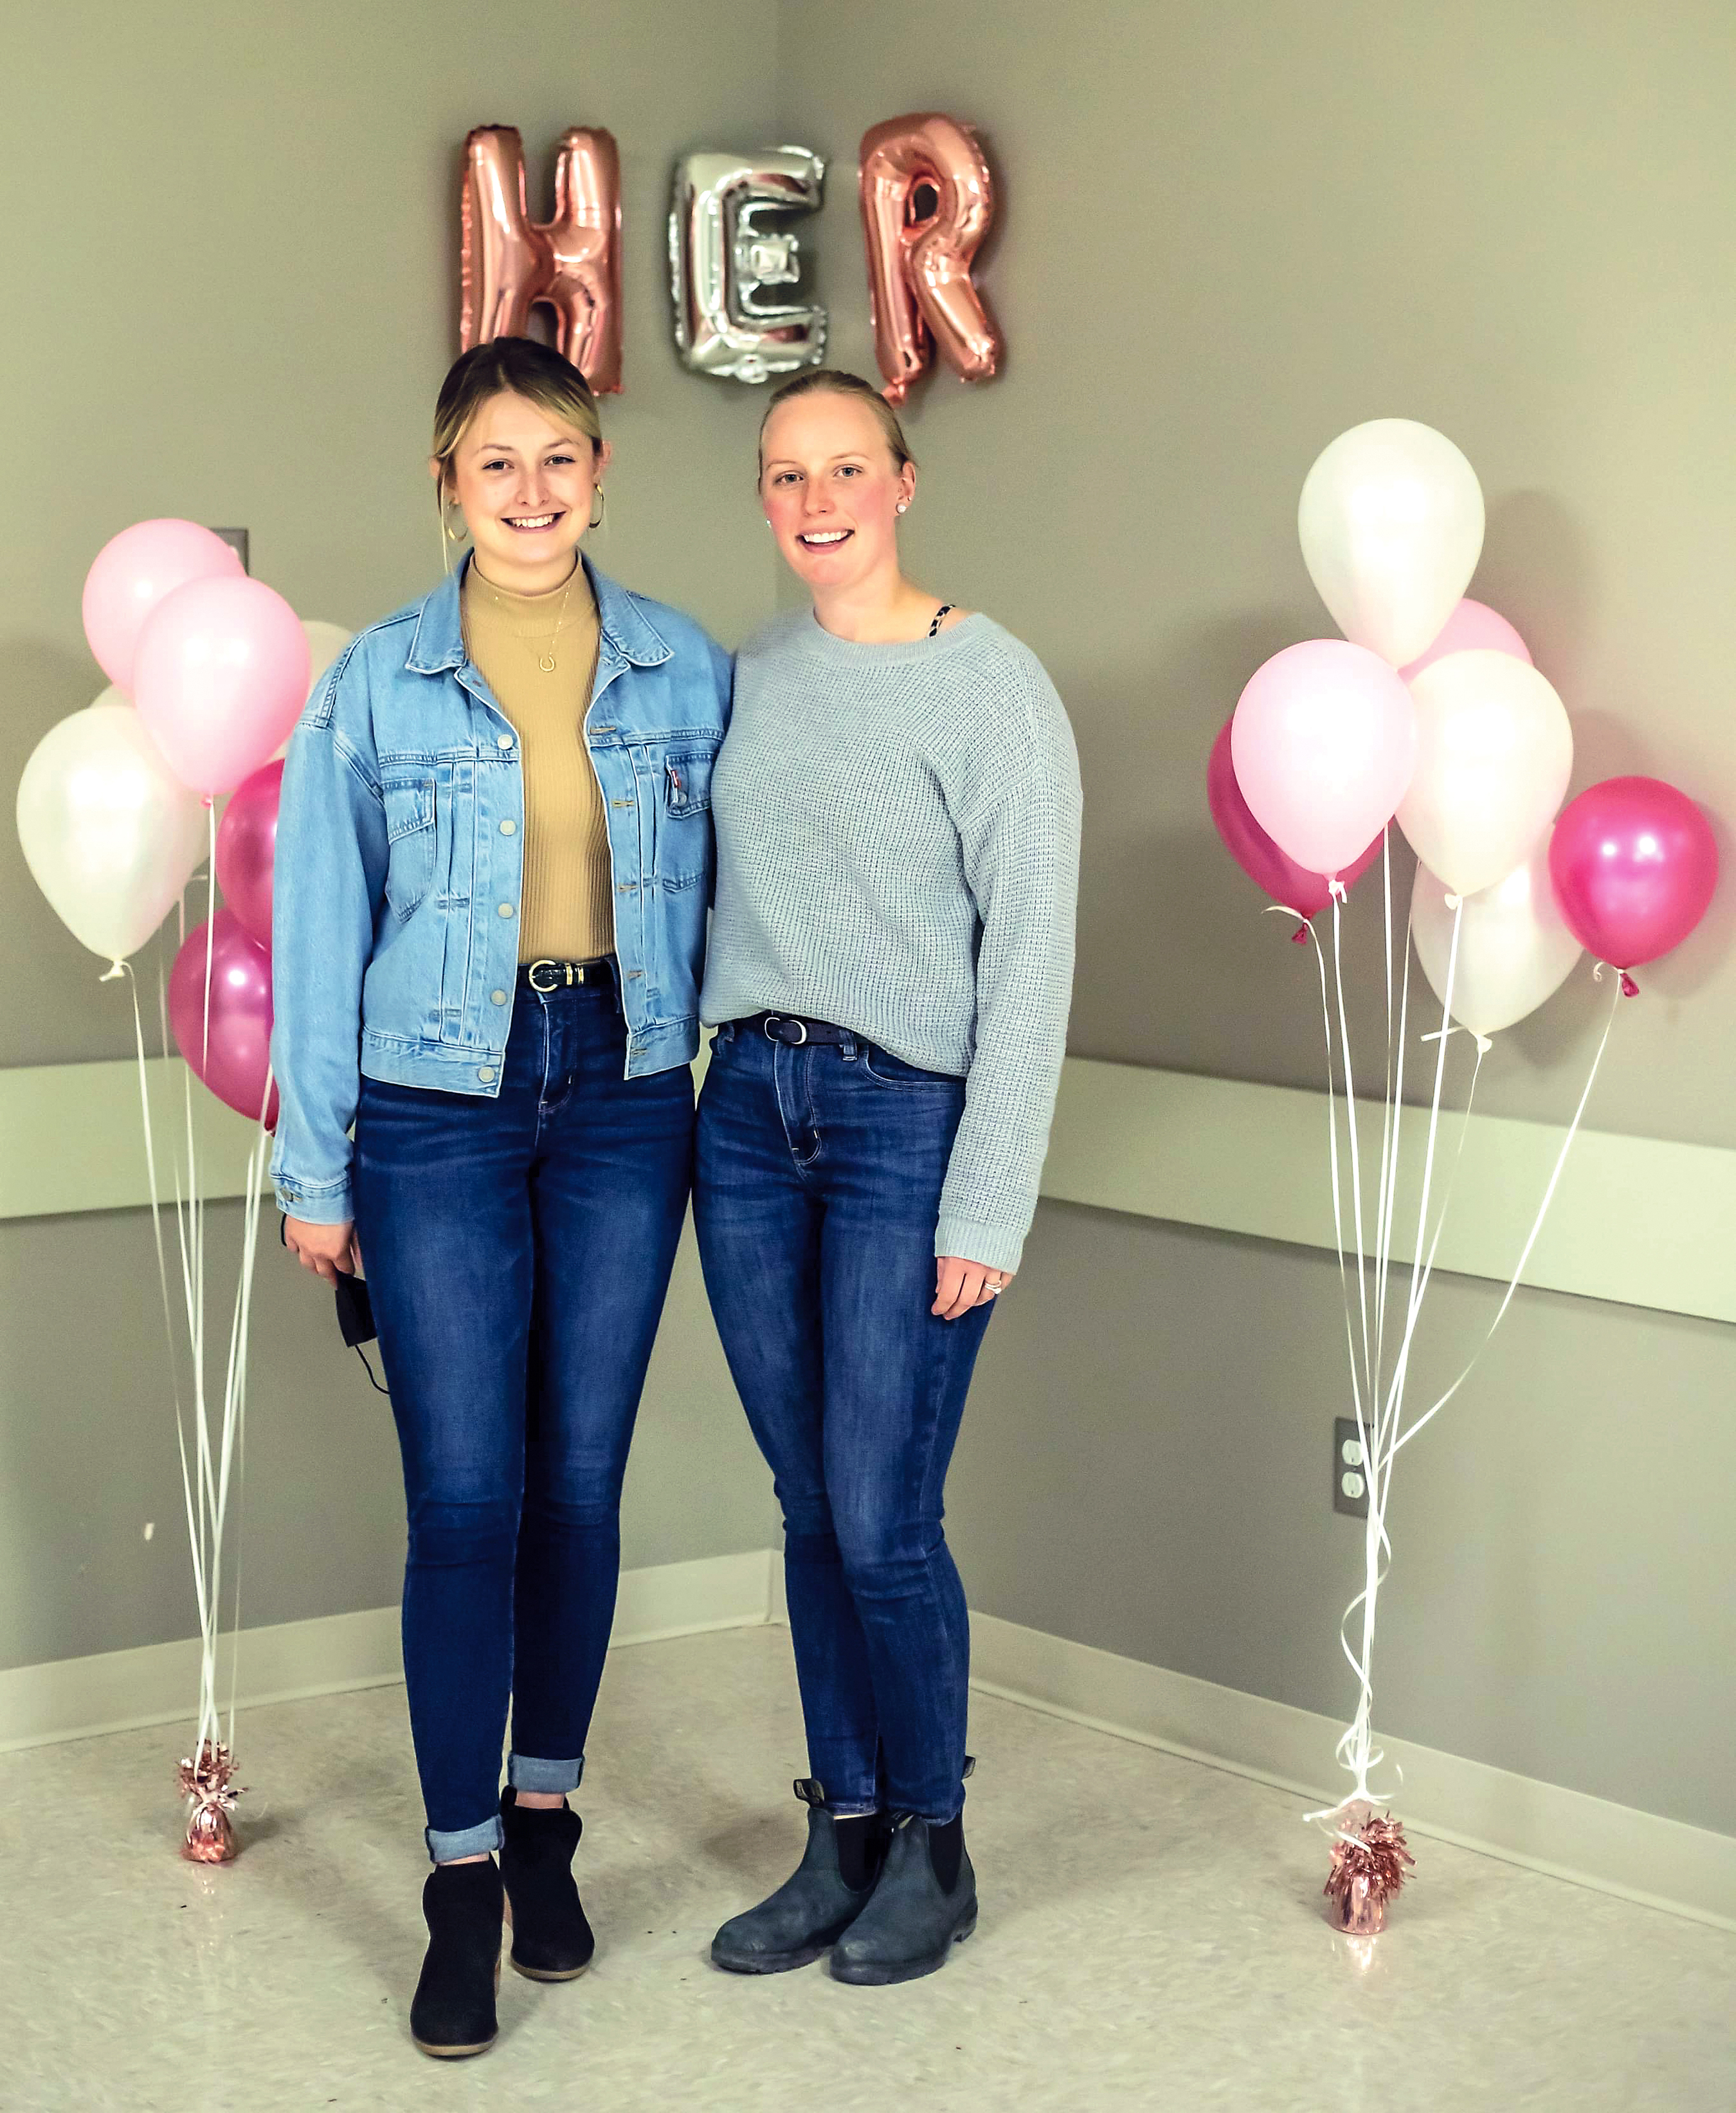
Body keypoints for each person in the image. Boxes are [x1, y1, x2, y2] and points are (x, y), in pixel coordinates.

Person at [269, 336, 730, 2059]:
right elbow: (320, 933)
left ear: (598, 471)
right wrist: (319, 1165)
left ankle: (547, 1824)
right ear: (446, 487)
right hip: (434, 1109)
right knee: (465, 1499)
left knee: (579, 1488)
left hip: (623, 1098)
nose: (530, 492)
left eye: (559, 458)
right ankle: (459, 1875)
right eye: (494, 463)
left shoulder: (686, 667)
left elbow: (740, 896)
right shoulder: (378, 684)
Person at [694, 369, 1081, 1986]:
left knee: (883, 1511)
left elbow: (1034, 958)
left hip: (899, 1124)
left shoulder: (995, 690)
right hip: (747, 1115)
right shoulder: (751, 679)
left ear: (902, 480)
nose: (815, 497)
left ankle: (935, 1839)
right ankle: (841, 1828)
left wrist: (985, 1202)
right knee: (805, 1505)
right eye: (786, 475)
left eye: (845, 465)